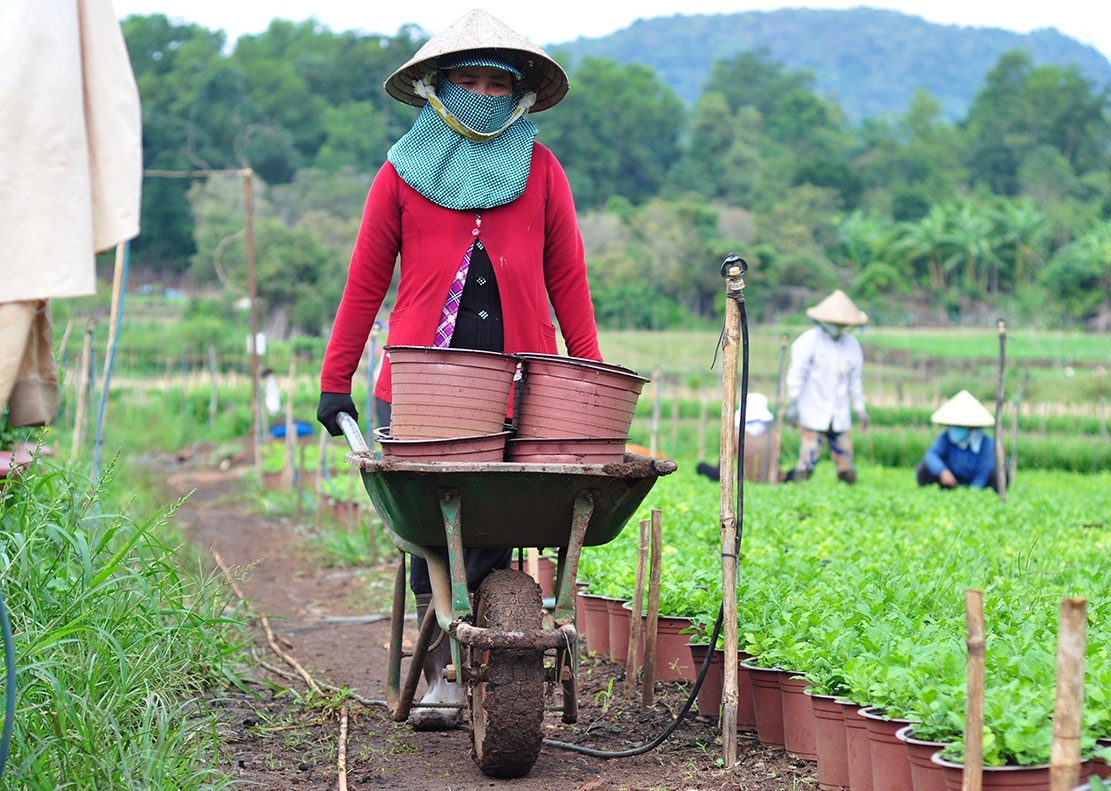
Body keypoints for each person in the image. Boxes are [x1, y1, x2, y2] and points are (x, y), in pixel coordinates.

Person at [315, 9, 601, 730]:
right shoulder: (401, 172)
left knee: (491, 525)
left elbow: (569, 280)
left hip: (514, 384)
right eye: (465, 81)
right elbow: (364, 281)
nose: (481, 95)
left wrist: (589, 380)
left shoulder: (540, 169)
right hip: (418, 389)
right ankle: (440, 666)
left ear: (518, 97)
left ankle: (486, 657)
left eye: (495, 85)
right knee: (431, 533)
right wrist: (333, 377)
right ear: (437, 88)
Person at [783, 290, 869, 484]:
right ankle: (798, 492)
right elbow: (796, 376)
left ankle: (848, 494)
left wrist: (860, 410)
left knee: (847, 466)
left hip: (839, 414)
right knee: (806, 463)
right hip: (812, 411)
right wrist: (793, 406)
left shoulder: (852, 346)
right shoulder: (808, 342)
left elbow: (855, 381)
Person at [916, 389, 1004, 493]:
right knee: (924, 468)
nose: (954, 429)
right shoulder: (945, 438)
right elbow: (931, 455)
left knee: (1000, 473)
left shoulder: (987, 444)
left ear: (971, 428)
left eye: (959, 426)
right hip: (951, 482)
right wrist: (942, 471)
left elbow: (983, 472)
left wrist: (972, 494)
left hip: (978, 484)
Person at [696, 392, 779, 483]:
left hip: (744, 479)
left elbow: (722, 466)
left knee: (701, 466)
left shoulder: (736, 435)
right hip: (773, 479)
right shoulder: (774, 436)